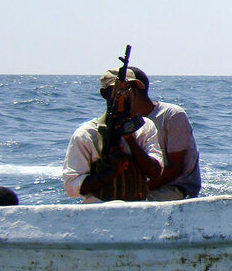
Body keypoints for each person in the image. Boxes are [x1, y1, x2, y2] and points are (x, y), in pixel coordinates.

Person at [63, 67, 165, 203]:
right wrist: (110, 172)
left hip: (137, 212)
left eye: (130, 89)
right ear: (105, 93)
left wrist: (130, 140)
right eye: (119, 91)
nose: (126, 95)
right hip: (98, 213)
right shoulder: (87, 135)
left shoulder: (145, 128)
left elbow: (155, 173)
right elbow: (72, 187)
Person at [123, 67, 201, 200]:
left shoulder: (172, 115)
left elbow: (176, 168)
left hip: (175, 187)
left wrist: (138, 191)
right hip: (140, 187)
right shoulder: (123, 121)